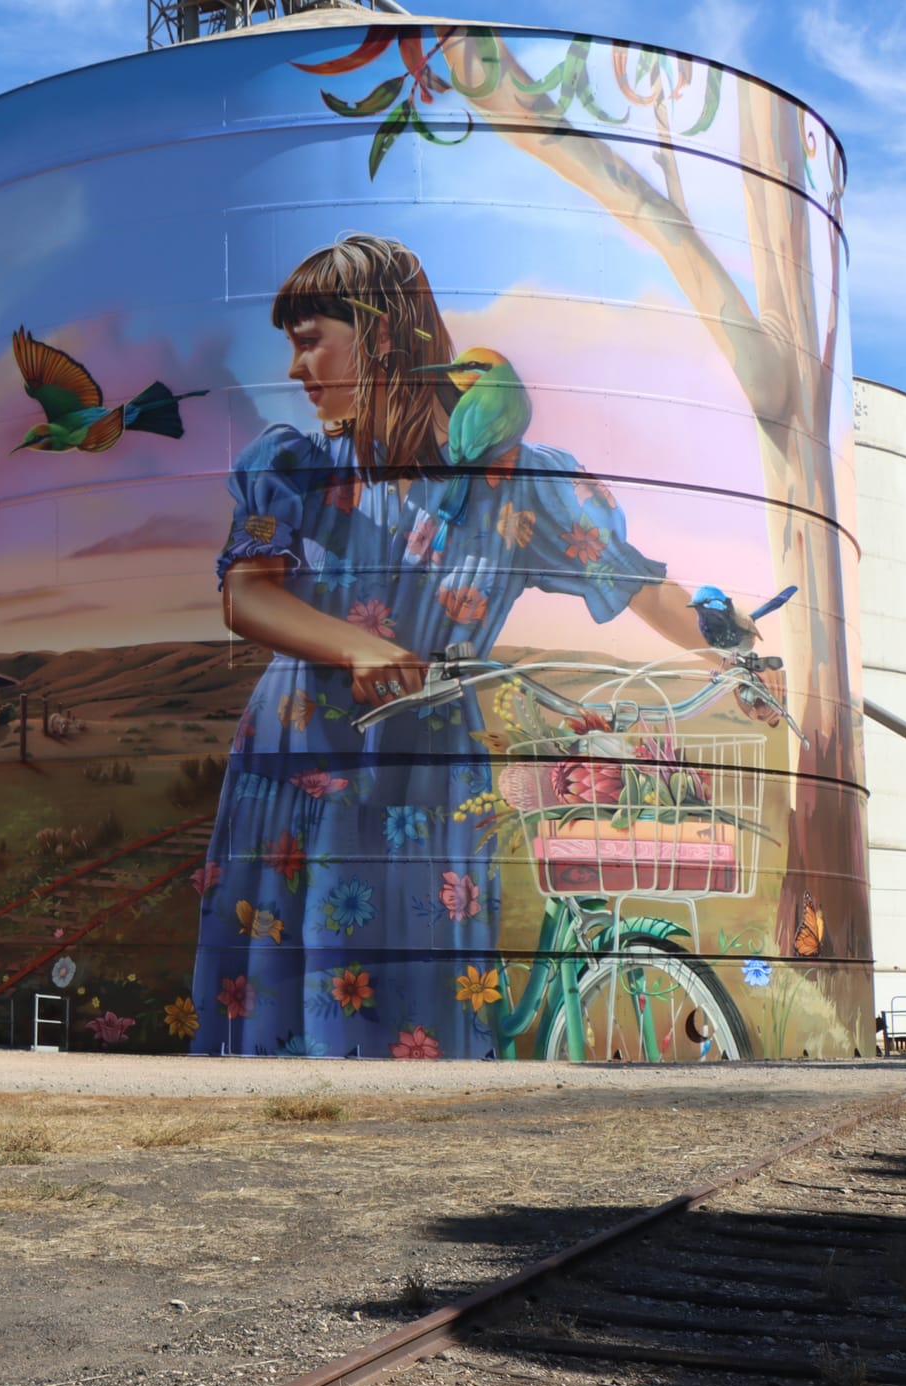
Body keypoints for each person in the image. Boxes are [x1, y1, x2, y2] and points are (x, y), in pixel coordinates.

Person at [189, 234, 772, 1060]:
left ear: (381, 334)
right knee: (296, 1026)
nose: (295, 367)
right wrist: (356, 647)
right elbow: (246, 593)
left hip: (433, 783)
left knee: (429, 1015)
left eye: (311, 339)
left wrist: (739, 647)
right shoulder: (300, 468)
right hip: (305, 771)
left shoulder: (521, 486)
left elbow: (641, 585)